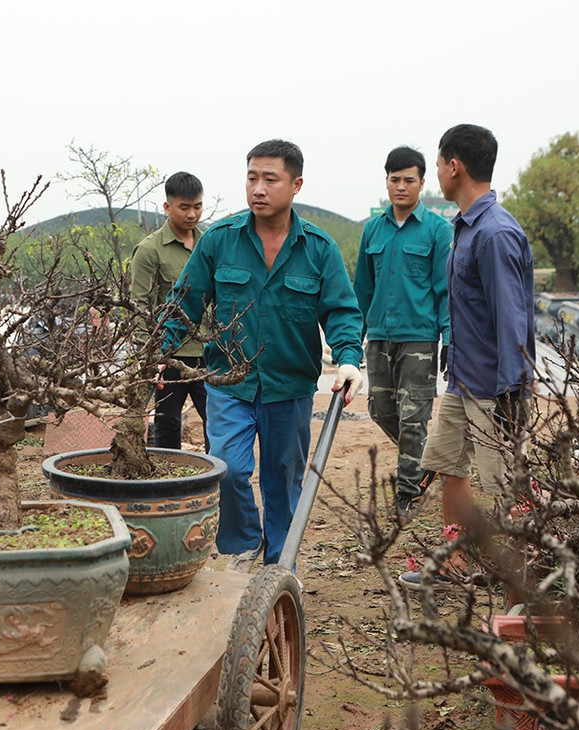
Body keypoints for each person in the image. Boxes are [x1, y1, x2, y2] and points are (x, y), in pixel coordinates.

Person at [163, 140, 363, 570]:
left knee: (283, 479)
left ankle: (279, 563)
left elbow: (342, 311)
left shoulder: (319, 249)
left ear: (296, 185)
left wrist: (348, 357)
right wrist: (159, 354)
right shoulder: (219, 241)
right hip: (229, 384)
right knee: (229, 470)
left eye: (270, 179)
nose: (258, 188)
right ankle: (242, 544)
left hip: (289, 387)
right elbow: (184, 304)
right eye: (251, 177)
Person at [400, 124, 535, 591]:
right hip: (463, 378)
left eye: (437, 164)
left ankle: (519, 578)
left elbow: (511, 321)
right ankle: (456, 566)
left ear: (454, 166)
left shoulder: (495, 233)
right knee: (450, 468)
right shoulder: (467, 227)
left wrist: (512, 397)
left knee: (504, 485)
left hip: (496, 388)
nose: (437, 172)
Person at [353, 147, 452, 517]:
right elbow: (362, 289)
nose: (401, 186)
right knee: (381, 410)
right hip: (378, 336)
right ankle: (427, 461)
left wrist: (448, 338)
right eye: (394, 179)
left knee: (413, 417)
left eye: (409, 179)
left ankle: (407, 494)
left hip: (420, 339)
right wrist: (351, 338)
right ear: (387, 182)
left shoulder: (438, 231)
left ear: (422, 183)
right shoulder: (372, 230)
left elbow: (445, 290)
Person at [130, 172, 209, 451]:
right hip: (170, 354)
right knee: (167, 423)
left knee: (218, 423)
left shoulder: (210, 243)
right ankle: (168, 479)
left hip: (208, 353)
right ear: (167, 207)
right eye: (184, 207)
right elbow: (139, 305)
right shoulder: (150, 250)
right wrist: (149, 356)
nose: (192, 214)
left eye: (197, 206)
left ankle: (217, 482)